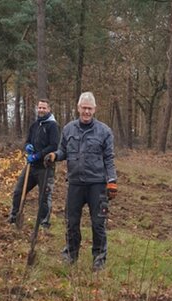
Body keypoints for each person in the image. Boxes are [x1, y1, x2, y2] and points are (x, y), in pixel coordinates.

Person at [44, 92, 117, 271]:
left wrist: (112, 181)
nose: (86, 112)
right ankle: (71, 254)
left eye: (89, 108)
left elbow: (109, 158)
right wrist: (55, 156)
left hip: (97, 184)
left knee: (98, 223)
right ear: (78, 108)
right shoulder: (69, 129)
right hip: (75, 183)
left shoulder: (104, 131)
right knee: (71, 221)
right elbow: (63, 151)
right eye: (83, 108)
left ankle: (99, 259)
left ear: (94, 109)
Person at [8, 99, 59, 228]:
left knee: (44, 196)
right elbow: (27, 140)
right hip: (31, 167)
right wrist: (28, 147)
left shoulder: (52, 126)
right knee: (18, 191)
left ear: (49, 109)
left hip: (45, 167)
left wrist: (38, 155)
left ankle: (44, 223)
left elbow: (53, 146)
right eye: (40, 108)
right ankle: (14, 216)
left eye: (44, 108)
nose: (41, 110)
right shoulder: (35, 125)